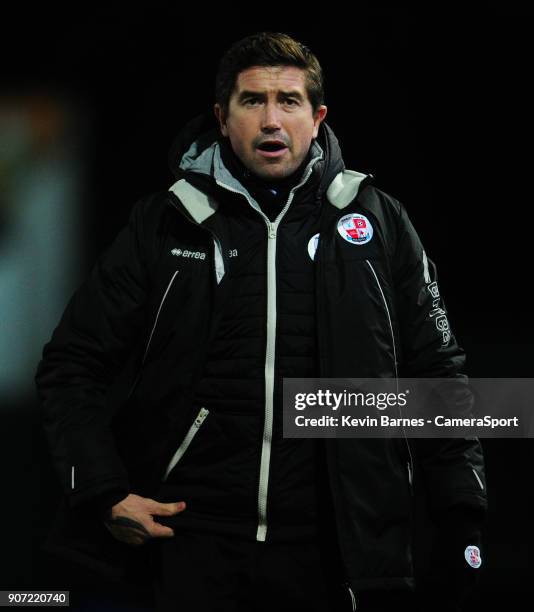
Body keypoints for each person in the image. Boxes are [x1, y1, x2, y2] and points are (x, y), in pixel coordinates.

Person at [35, 32, 488, 611]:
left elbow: (438, 375)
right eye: (253, 101)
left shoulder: (380, 222)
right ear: (223, 119)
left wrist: (461, 515)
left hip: (337, 552)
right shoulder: (165, 223)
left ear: (318, 117)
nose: (272, 120)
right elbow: (71, 365)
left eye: (289, 100)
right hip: (189, 544)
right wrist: (100, 491)